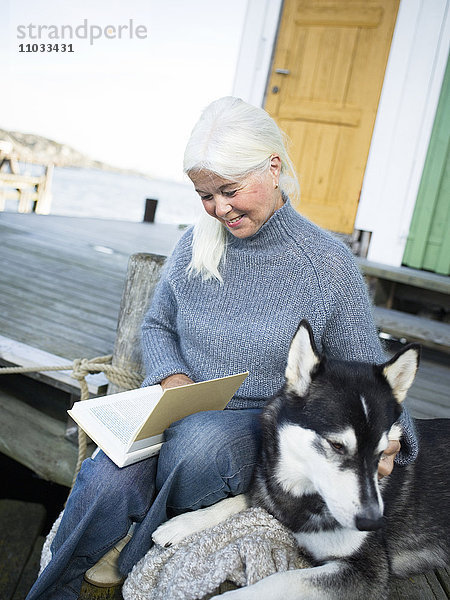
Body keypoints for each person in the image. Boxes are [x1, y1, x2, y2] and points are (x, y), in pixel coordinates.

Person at [27, 97, 418, 599]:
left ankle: (127, 556)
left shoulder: (327, 266)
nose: (219, 209)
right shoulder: (197, 243)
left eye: (230, 190)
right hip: (178, 404)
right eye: (204, 195)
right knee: (104, 480)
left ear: (273, 168)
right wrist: (172, 379)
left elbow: (370, 370)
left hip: (258, 423)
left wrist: (392, 439)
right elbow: (158, 324)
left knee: (198, 447)